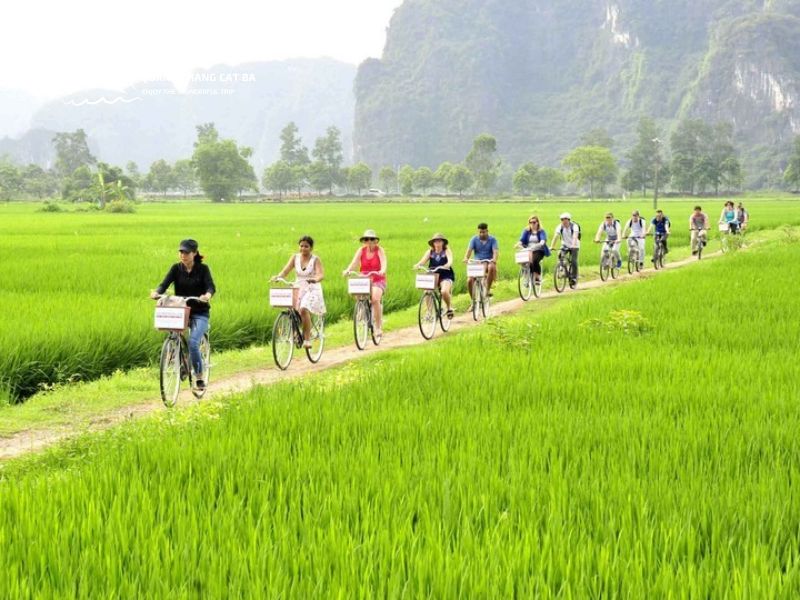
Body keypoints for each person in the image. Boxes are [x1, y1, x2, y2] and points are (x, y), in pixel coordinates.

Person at [150, 239, 216, 390]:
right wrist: (156, 292)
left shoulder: (203, 269)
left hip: (200, 313)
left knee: (193, 343)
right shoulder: (176, 268)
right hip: (181, 311)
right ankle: (181, 362)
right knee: (174, 334)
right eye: (181, 252)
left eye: (186, 252)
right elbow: (164, 284)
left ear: (194, 253)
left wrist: (207, 295)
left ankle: (199, 377)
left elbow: (211, 287)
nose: (183, 255)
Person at [271, 236, 326, 348]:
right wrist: (278, 277)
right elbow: (285, 271)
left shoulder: (315, 259)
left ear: (311, 248)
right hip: (299, 287)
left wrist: (315, 279)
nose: (303, 248)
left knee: (303, 309)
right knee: (293, 309)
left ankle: (307, 340)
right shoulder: (295, 258)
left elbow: (320, 274)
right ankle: (296, 331)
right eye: (301, 246)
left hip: (312, 287)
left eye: (306, 246)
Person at [343, 229, 387, 338]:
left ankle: (378, 326)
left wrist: (382, 270)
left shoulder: (379, 250)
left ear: (375, 241)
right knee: (357, 293)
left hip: (377, 279)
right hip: (364, 279)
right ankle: (362, 308)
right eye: (367, 239)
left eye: (372, 239)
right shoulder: (361, 250)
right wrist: (347, 270)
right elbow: (354, 262)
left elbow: (384, 262)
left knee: (375, 299)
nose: (369, 241)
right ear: (364, 241)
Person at [413, 233, 455, 319]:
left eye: (439, 241)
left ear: (443, 243)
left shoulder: (446, 251)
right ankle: (429, 312)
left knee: (444, 291)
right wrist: (417, 265)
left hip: (445, 275)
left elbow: (450, 260)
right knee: (427, 292)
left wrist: (447, 265)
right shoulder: (430, 252)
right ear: (433, 243)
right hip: (433, 275)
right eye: (436, 241)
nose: (437, 243)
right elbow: (422, 261)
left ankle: (449, 307)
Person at [463, 222, 499, 307]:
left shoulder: (493, 240)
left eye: (484, 232)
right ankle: (473, 301)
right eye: (480, 232)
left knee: (491, 267)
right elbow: (469, 250)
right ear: (478, 232)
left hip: (488, 260)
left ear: (487, 231)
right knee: (469, 280)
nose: (482, 234)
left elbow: (495, 252)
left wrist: (494, 259)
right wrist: (466, 258)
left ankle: (487, 289)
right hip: (477, 262)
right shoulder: (474, 239)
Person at [514, 215, 549, 284]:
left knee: (534, 260)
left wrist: (541, 243)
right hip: (528, 249)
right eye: (530, 222)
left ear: (537, 223)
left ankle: (537, 277)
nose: (532, 224)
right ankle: (526, 276)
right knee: (523, 261)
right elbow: (522, 240)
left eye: (534, 222)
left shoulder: (541, 231)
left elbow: (543, 240)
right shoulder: (526, 231)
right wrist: (518, 244)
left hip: (538, 250)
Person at [550, 212, 581, 287]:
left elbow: (575, 236)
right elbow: (556, 236)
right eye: (562, 219)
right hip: (565, 245)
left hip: (575, 245)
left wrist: (573, 245)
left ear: (569, 219)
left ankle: (574, 277)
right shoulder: (559, 227)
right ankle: (562, 268)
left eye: (565, 219)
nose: (563, 221)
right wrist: (552, 246)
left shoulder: (574, 226)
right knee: (560, 255)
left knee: (573, 261)